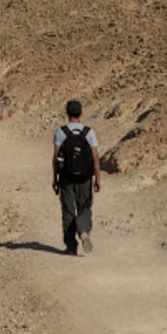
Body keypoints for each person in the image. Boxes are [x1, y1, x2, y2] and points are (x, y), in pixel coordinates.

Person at [52, 99, 100, 255]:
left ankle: (71, 246)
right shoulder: (88, 132)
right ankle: (84, 231)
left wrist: (55, 179)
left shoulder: (61, 131)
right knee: (84, 207)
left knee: (68, 211)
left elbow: (55, 157)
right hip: (85, 178)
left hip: (66, 177)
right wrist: (97, 178)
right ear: (81, 113)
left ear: (67, 112)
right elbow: (95, 157)